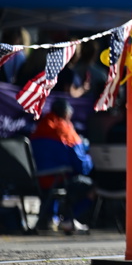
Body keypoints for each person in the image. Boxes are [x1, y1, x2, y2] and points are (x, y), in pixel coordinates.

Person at [30, 98, 94, 234]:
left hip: (36, 181)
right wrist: (89, 158)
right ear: (66, 114)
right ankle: (68, 220)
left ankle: (51, 219)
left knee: (57, 179)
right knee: (92, 188)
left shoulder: (38, 129)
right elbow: (82, 166)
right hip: (57, 179)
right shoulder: (66, 131)